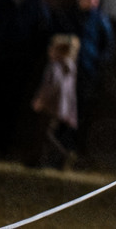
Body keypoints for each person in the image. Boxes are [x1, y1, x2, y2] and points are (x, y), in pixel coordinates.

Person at [0, 0, 51, 159]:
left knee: (10, 107)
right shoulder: (1, 4)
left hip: (19, 66)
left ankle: (2, 147)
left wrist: (30, 57)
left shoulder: (37, 7)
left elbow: (42, 35)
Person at [54, 0, 114, 158]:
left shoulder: (100, 20)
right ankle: (54, 147)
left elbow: (108, 46)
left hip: (86, 73)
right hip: (64, 72)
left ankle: (69, 149)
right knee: (60, 110)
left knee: (79, 111)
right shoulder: (68, 15)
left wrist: (96, 61)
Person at [29, 34, 80, 169]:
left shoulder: (55, 66)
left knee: (44, 134)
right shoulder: (69, 66)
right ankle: (39, 160)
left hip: (49, 106)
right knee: (46, 134)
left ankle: (60, 155)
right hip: (60, 107)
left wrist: (40, 101)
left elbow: (50, 86)